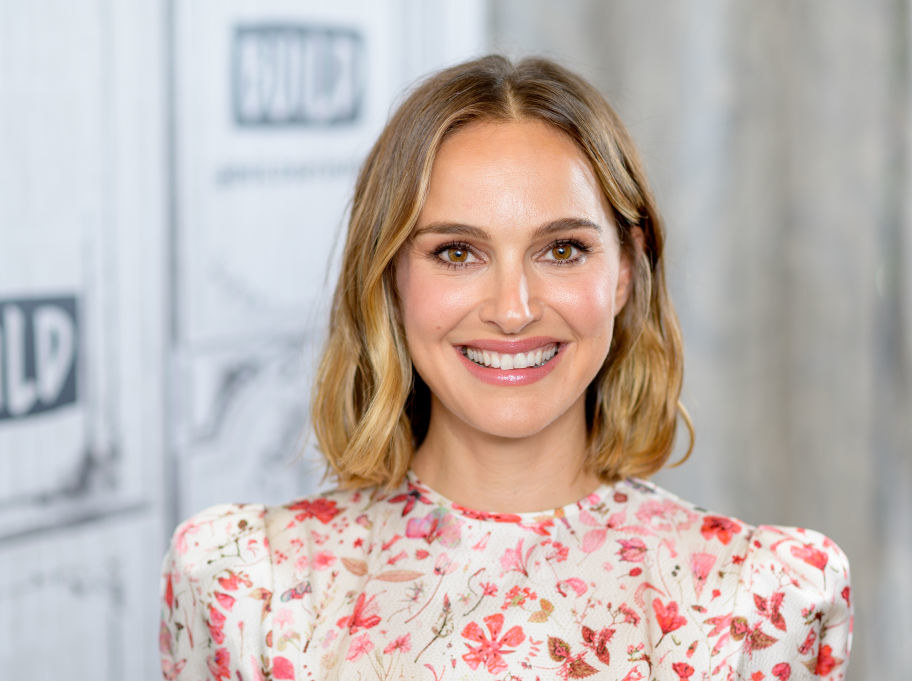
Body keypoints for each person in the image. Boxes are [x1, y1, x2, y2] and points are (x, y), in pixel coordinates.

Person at [160, 55, 852, 681]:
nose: (513, 310)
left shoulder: (757, 603)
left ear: (625, 270)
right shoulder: (249, 587)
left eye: (563, 250)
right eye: (458, 252)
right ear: (389, 278)